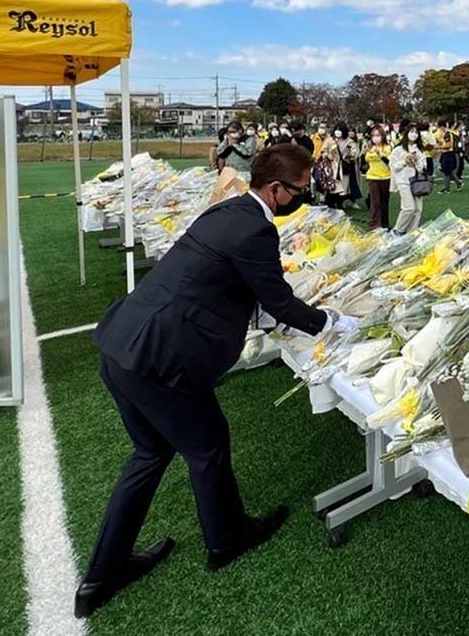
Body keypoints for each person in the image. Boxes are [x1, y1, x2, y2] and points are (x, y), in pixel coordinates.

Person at [76, 145, 358, 618]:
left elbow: (220, 278)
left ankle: (101, 577)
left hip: (123, 342)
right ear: (276, 189)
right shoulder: (255, 229)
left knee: (151, 452)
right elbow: (279, 301)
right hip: (160, 358)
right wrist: (329, 322)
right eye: (300, 190)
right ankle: (226, 541)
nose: (303, 197)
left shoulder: (227, 209)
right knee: (207, 447)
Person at [391, 124, 428, 234]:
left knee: (417, 210)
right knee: (409, 208)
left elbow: (423, 168)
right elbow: (393, 167)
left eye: (416, 132)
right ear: (406, 133)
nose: (414, 134)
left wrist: (416, 161)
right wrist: (404, 162)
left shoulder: (420, 150)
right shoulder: (398, 150)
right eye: (411, 131)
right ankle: (398, 230)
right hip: (403, 182)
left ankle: (411, 233)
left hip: (417, 182)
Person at [363, 125, 392, 230]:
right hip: (373, 177)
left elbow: (390, 162)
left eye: (378, 135)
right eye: (373, 136)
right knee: (375, 203)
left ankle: (385, 224)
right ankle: (375, 225)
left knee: (384, 202)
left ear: (382, 136)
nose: (375, 138)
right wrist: (365, 152)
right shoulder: (370, 148)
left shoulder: (388, 147)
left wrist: (380, 155)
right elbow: (366, 160)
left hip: (386, 177)